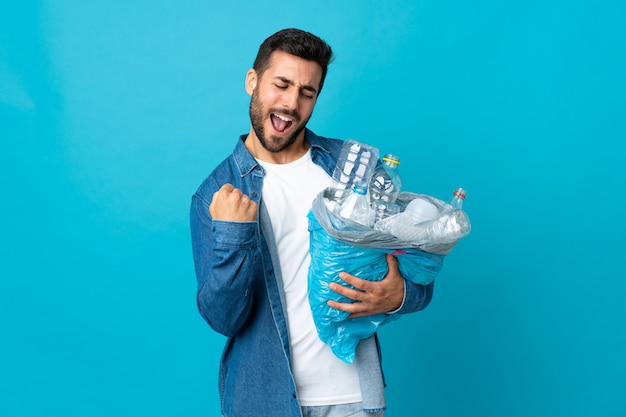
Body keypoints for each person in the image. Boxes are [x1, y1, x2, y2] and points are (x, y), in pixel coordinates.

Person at [190, 28, 435, 417]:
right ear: (252, 81)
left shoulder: (355, 168)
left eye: (307, 92)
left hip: (354, 399)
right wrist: (236, 235)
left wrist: (400, 295)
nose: (291, 103)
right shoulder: (217, 193)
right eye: (281, 85)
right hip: (263, 400)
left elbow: (420, 273)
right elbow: (224, 318)